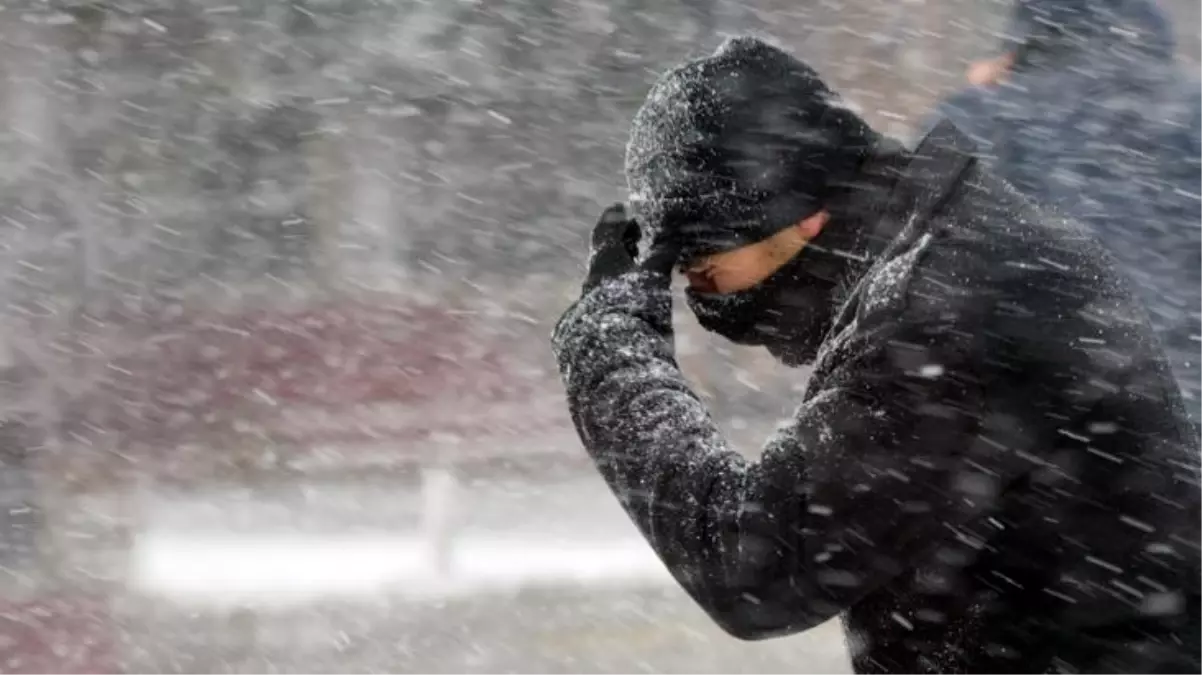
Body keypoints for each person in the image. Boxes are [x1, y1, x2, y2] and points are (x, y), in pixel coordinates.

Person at [551, 36, 1202, 674]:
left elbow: (757, 568)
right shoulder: (949, 254)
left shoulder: (948, 310)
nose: (702, 296)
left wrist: (612, 355)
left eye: (705, 269)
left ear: (800, 217)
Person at [927, 0, 1202, 428]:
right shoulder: (1192, 114)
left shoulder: (975, 121)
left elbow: (909, 288)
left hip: (1011, 434)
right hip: (1181, 419)